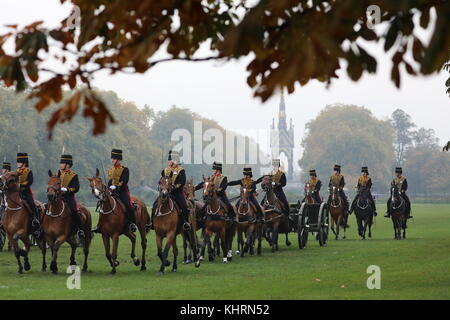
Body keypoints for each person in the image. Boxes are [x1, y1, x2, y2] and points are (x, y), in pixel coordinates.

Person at [93, 149, 137, 233]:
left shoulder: (125, 169)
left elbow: (124, 181)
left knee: (128, 205)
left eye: (114, 158)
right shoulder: (111, 170)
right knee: (103, 205)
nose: (112, 160)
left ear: (118, 159)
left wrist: (116, 186)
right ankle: (99, 225)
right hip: (112, 192)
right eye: (112, 158)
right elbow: (110, 181)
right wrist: (108, 187)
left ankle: (132, 224)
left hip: (122, 191)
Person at [151, 150, 191, 230]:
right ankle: (151, 223)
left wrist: (174, 188)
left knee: (183, 207)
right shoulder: (165, 170)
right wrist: (161, 186)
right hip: (165, 193)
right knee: (154, 205)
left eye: (170, 160)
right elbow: (162, 180)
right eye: (168, 160)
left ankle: (185, 222)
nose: (168, 162)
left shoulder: (181, 170)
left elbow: (182, 182)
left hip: (177, 193)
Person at [58, 154, 85, 238]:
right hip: (58, 197)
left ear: (67, 165)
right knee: (47, 208)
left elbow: (76, 188)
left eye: (62, 163)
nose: (60, 165)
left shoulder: (73, 175)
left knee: (74, 211)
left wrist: (67, 190)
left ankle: (80, 230)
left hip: (69, 197)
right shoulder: (58, 174)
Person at [16, 153, 41, 236]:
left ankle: (35, 220)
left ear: (23, 163)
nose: (18, 163)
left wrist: (21, 184)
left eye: (19, 162)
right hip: (17, 193)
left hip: (26, 192)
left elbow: (30, 181)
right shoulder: (16, 172)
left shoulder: (29, 172)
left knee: (32, 204)